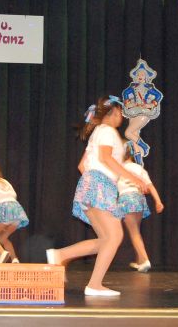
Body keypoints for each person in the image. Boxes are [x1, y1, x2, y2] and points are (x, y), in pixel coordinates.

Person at [46, 96, 148, 297]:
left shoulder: (98, 132)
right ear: (114, 112)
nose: (122, 118)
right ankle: (93, 284)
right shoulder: (108, 131)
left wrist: (91, 182)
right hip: (100, 185)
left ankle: (61, 256)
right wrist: (133, 178)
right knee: (115, 236)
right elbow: (105, 158)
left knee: (107, 239)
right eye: (120, 113)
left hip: (92, 184)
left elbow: (82, 166)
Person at [117, 142, 164, 272]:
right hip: (139, 199)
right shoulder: (139, 168)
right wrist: (158, 201)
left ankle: (145, 260)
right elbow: (150, 186)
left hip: (127, 199)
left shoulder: (118, 168)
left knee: (134, 232)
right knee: (136, 230)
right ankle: (139, 261)